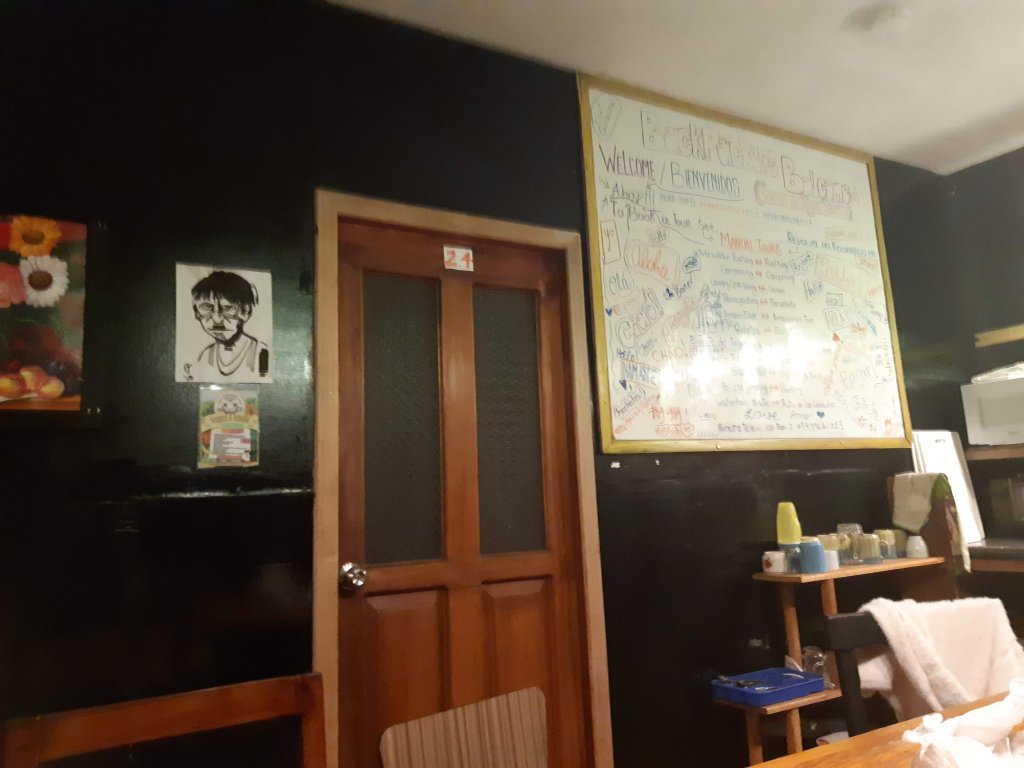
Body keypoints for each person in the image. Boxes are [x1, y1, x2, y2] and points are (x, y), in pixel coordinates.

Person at [186, 271, 269, 381]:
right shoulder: (206, 355)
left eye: (227, 308)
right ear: (196, 313)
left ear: (246, 312)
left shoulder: (262, 352)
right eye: (207, 307)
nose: (217, 319)